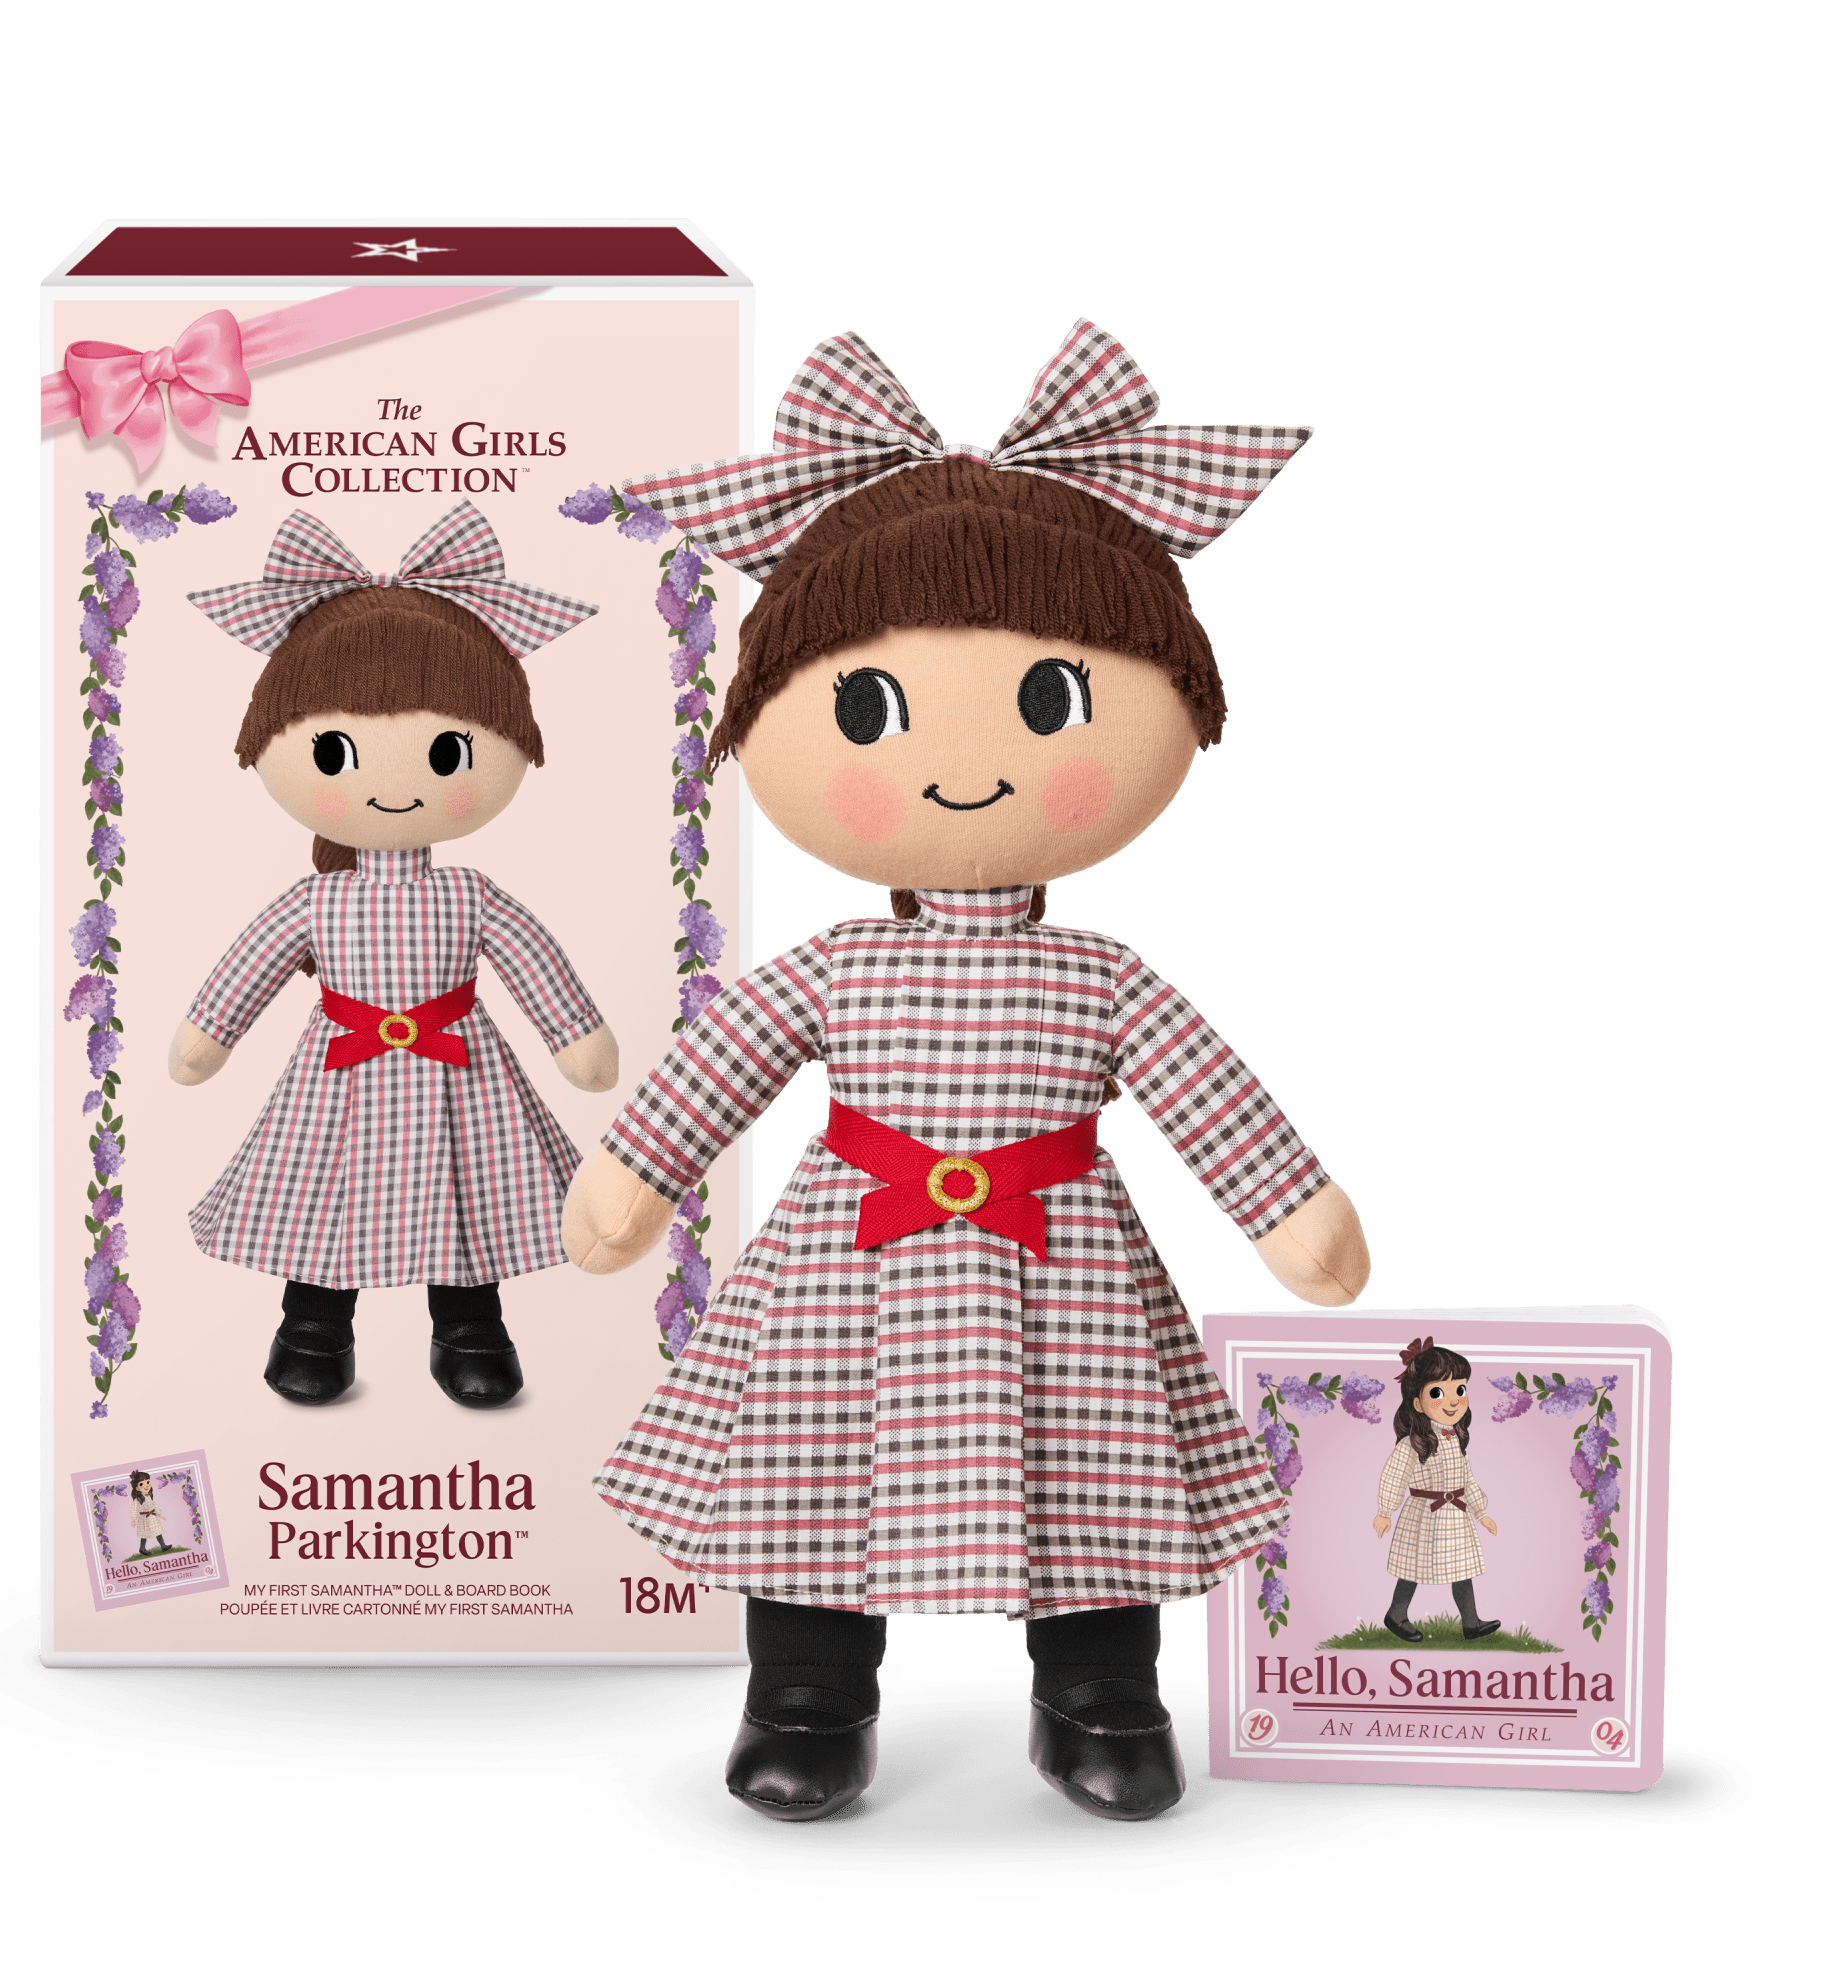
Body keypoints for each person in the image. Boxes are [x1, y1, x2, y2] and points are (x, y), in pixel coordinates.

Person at [563, 323, 1371, 1823]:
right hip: (847, 1267)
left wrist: (1291, 1210)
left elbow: (1212, 1099)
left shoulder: (1102, 975)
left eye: (1051, 701)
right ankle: (805, 1695)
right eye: (866, 708)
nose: (960, 758)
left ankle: (1103, 1696)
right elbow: (714, 1072)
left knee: (1097, 1466)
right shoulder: (828, 968)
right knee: (811, 1466)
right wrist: (632, 1179)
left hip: (1063, 1270)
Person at [171, 503, 616, 1408]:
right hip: (338, 1073)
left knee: (468, 1189)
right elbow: (247, 969)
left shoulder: (471, 894)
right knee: (321, 1189)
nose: (390, 784)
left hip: (461, 1072)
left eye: (449, 750)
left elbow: (536, 964)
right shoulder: (316, 900)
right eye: (336, 750)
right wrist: (205, 1038)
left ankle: (470, 1326)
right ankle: (314, 1325)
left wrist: (578, 1039)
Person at [1374, 1337, 1501, 1641]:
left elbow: (1466, 1480)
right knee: (1413, 1567)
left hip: (1455, 1515)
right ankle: (1396, 1614)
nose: (1453, 1401)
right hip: (1424, 1515)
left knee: (1462, 1568)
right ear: (1418, 1403)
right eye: (1438, 1393)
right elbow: (1393, 1475)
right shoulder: (1412, 1443)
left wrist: (1481, 1512)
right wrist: (1385, 1511)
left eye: (1460, 1390)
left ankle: (1471, 1622)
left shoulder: (1455, 1439)